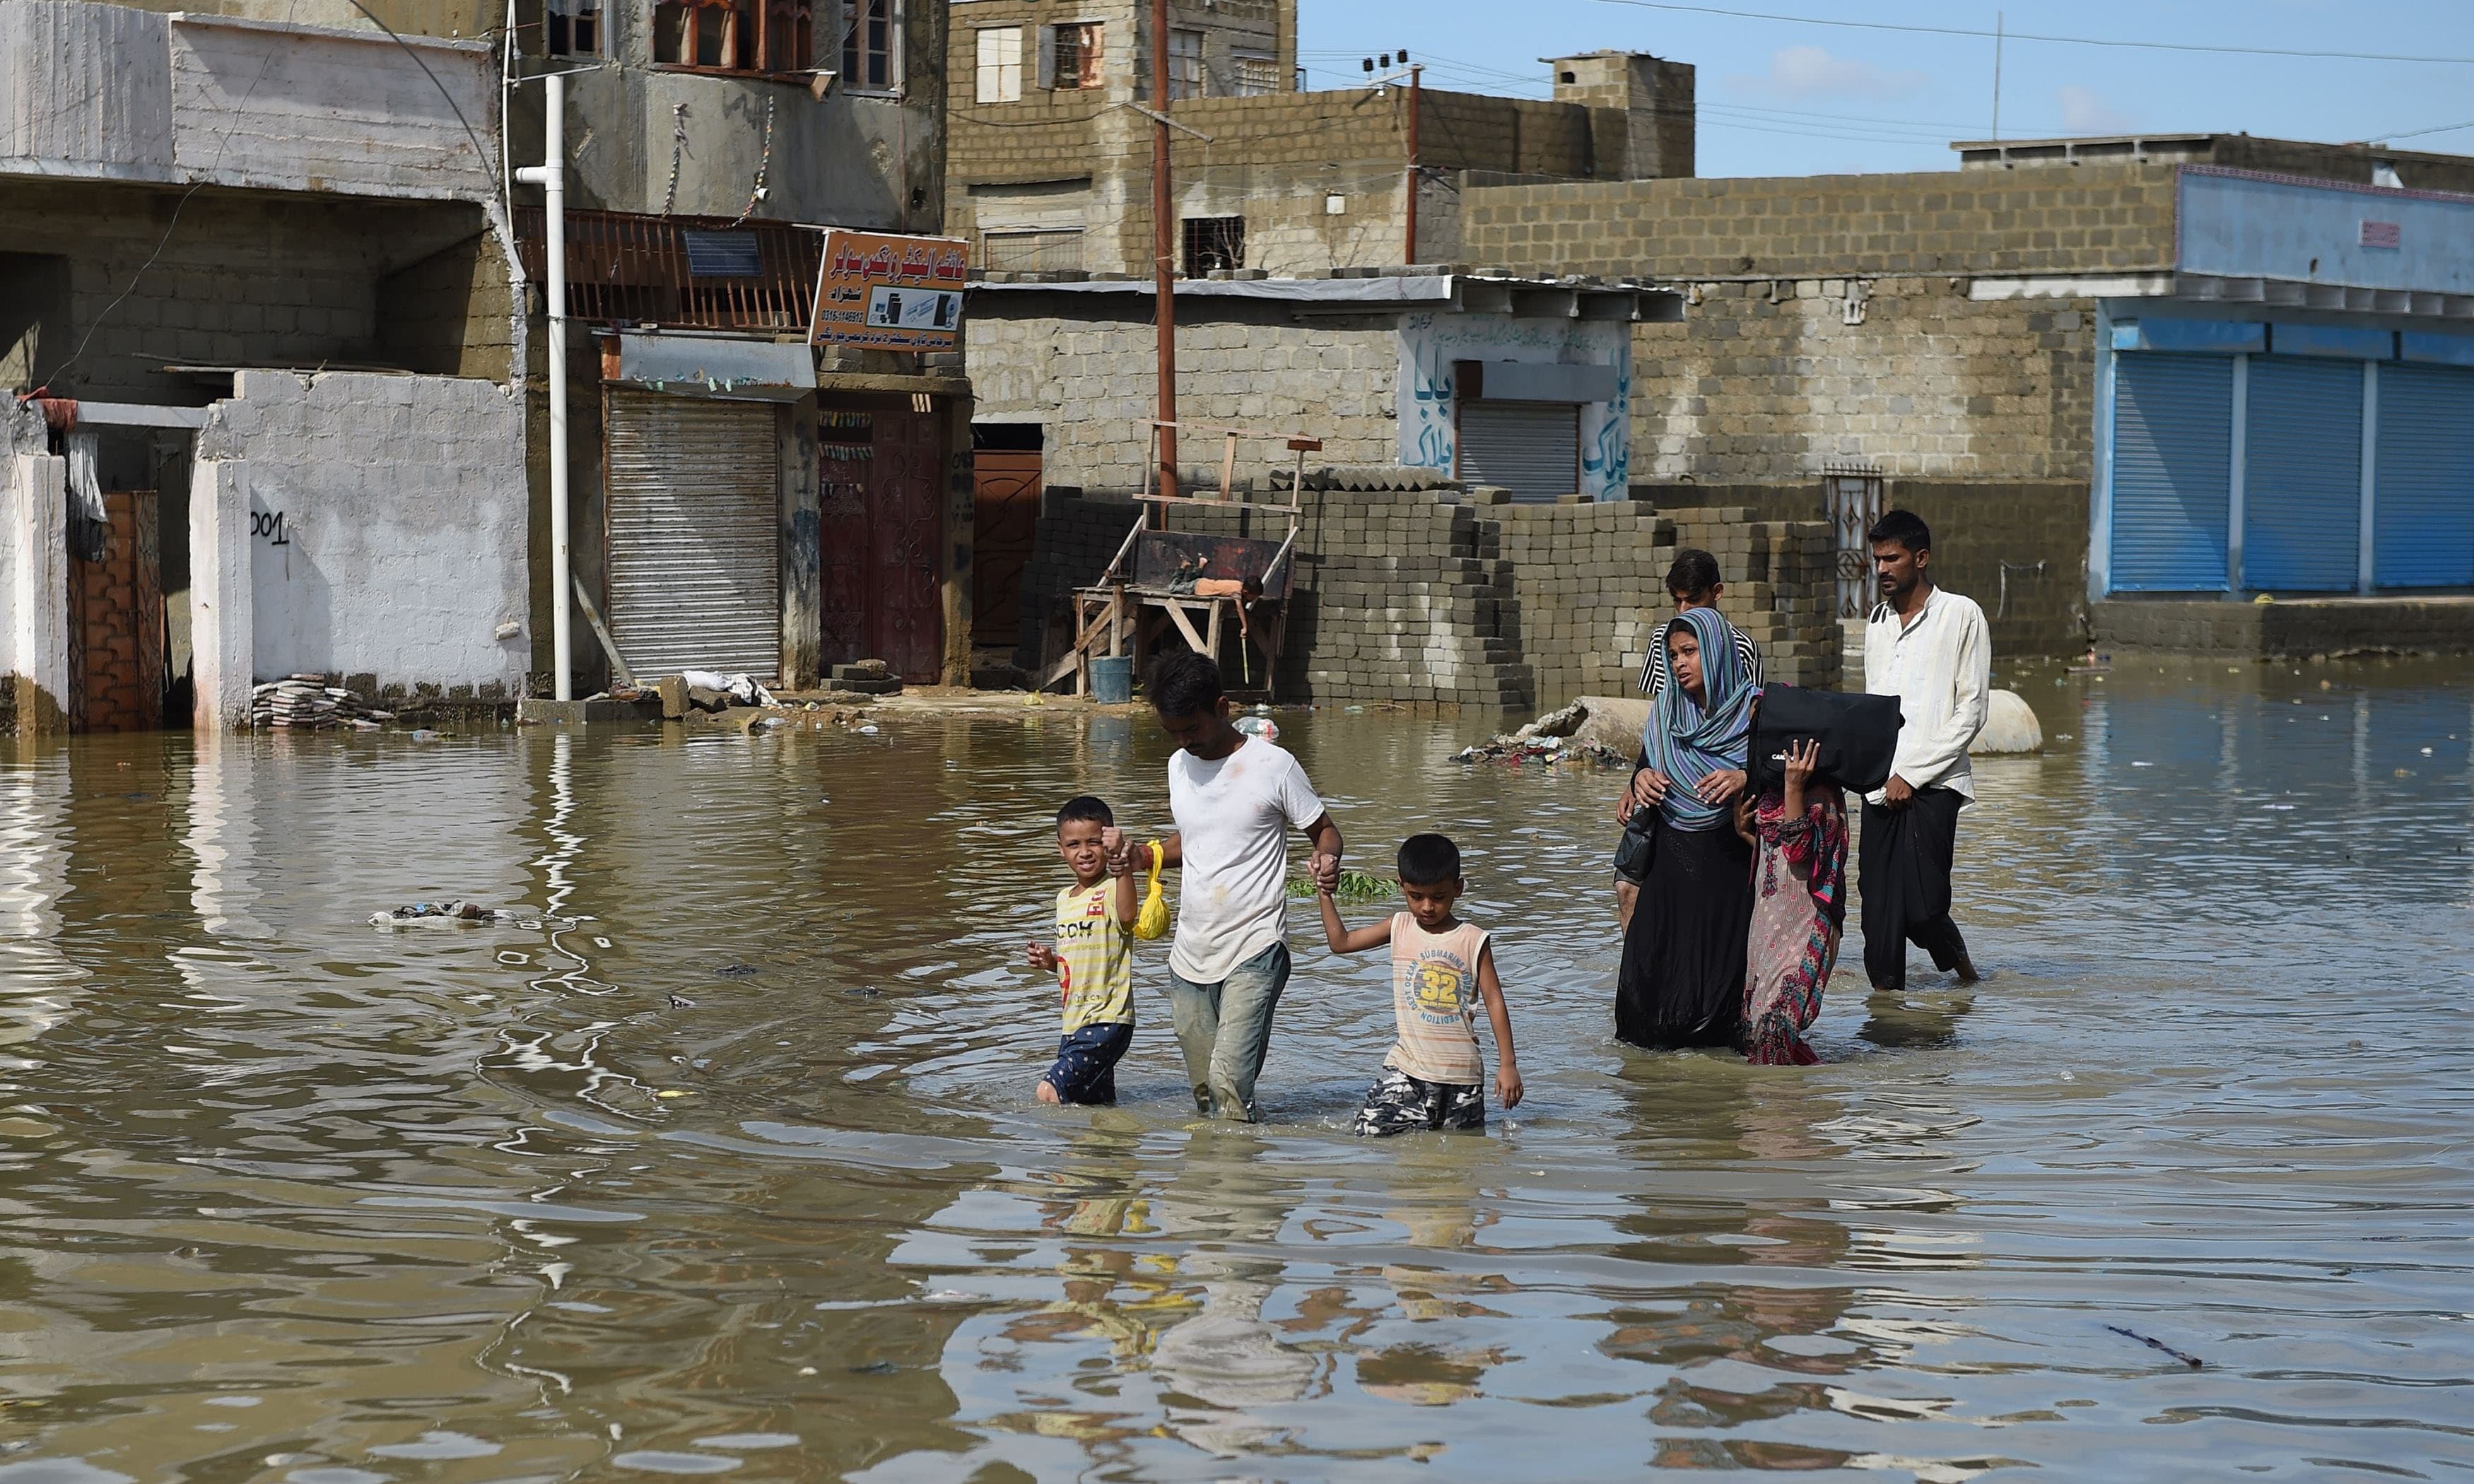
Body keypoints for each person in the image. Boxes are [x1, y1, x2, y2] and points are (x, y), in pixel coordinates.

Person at [1130, 649, 1343, 1122]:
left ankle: (1244, 1188)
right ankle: (1209, 1189)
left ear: (1222, 709)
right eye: (1174, 733)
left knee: (1229, 1086)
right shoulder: (1177, 766)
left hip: (1256, 946)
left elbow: (1325, 830)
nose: (1185, 741)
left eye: (1193, 729)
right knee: (1206, 1095)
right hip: (1190, 952)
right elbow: (1197, 839)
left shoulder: (1274, 765)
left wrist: (1326, 860)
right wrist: (1147, 856)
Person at [1612, 606, 1759, 1049]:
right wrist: (1640, 779)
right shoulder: (1665, 712)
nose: (1679, 664)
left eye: (1690, 652)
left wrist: (1745, 777)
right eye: (1673, 655)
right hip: (1671, 854)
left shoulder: (1755, 711)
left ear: (1714, 652)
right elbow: (1648, 764)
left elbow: (1790, 770)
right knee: (1650, 960)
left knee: (1719, 966)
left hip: (1729, 857)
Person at [1318, 833, 1523, 1136]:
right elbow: (1341, 942)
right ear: (1401, 886)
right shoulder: (1399, 926)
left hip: (1462, 1075)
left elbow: (1494, 1000)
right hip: (1406, 1068)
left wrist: (1508, 1064)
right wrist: (1324, 894)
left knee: (1460, 1156)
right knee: (1368, 1136)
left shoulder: (1472, 939)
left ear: (1458, 888)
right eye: (1416, 896)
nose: (1427, 907)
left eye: (1439, 897)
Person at [1860, 510, 1988, 991]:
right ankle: (1887, 1019)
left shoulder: (1961, 614)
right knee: (1878, 916)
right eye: (1877, 559)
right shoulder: (1876, 623)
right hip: (1879, 786)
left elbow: (1972, 711)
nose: (1883, 569)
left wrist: (1911, 775)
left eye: (1892, 558)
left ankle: (1965, 976)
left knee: (1923, 907)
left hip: (1934, 785)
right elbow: (1873, 709)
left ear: (1921, 558)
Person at [1617, 548, 1764, 934]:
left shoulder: (1740, 648)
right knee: (1628, 886)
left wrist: (1742, 777)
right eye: (1677, 600)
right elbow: (1658, 720)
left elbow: (1748, 724)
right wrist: (1637, 778)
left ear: (1717, 593)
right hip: (1667, 787)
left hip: (1716, 795)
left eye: (1693, 600)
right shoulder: (1662, 640)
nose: (1682, 610)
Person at [1733, 738, 1849, 1065]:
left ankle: (1786, 1109)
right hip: (1769, 926)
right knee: (1759, 1027)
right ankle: (1804, 1099)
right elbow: (1781, 855)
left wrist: (1794, 786)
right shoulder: (1772, 795)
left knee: (1778, 1025)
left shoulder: (1821, 795)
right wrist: (1745, 831)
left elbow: (1800, 850)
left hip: (1804, 925)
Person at [1024, 795, 1139, 1105]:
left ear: (1108, 841)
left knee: (1049, 1091)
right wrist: (1052, 963)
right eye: (1074, 844)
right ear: (1061, 848)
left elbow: (1128, 918)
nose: (1085, 852)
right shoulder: (1064, 899)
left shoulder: (1115, 886)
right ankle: (1105, 1151)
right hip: (1074, 1022)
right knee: (1094, 1107)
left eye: (1094, 842)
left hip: (1107, 1020)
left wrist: (1123, 864)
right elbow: (1078, 959)